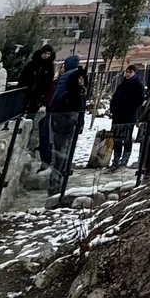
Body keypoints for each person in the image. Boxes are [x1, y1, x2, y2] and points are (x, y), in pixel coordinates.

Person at [47, 54, 87, 197]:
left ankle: (56, 183)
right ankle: (59, 183)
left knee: (60, 151)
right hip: (70, 117)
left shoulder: (67, 76)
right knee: (65, 151)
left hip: (62, 117)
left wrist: (51, 107)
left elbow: (57, 95)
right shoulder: (77, 77)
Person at [109, 64, 145, 170]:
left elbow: (139, 100)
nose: (128, 74)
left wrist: (128, 109)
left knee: (127, 138)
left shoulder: (138, 85)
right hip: (117, 116)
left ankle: (125, 160)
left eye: (130, 72)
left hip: (128, 116)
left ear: (135, 73)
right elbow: (115, 98)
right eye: (127, 72)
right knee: (117, 139)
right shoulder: (122, 85)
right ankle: (116, 159)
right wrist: (113, 109)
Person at [18, 44, 56, 115]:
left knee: (32, 113)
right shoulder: (32, 64)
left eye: (49, 54)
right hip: (27, 91)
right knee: (20, 111)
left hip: (38, 95)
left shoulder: (50, 67)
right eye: (45, 53)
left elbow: (48, 82)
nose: (47, 56)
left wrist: (44, 95)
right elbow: (23, 77)